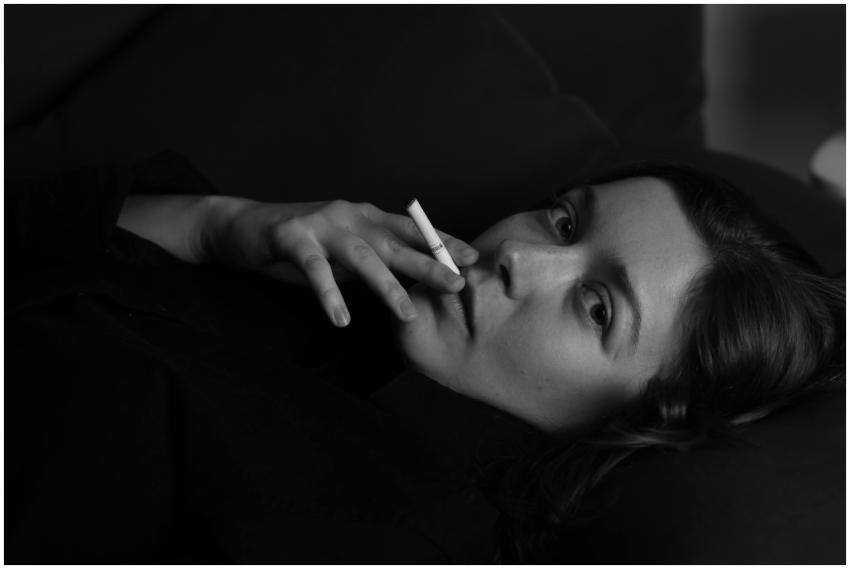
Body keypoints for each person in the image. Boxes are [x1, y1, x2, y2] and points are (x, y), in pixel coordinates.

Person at [6, 153, 844, 563]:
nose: (520, 257)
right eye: (563, 221)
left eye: (597, 306)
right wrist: (216, 225)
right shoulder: (327, 303)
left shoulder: (384, 535)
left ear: (640, 420)